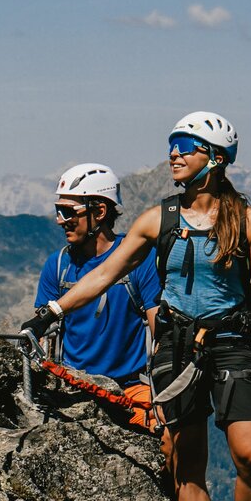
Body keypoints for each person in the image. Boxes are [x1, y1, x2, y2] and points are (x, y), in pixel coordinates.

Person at [22, 112, 251, 501]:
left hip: (231, 343)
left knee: (250, 453)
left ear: (216, 158)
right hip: (177, 347)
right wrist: (52, 312)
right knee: (187, 460)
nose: (174, 155)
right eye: (172, 145)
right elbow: (104, 275)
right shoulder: (157, 219)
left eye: (186, 146)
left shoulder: (249, 223)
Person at [32, 163, 159, 432]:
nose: (59, 220)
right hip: (72, 386)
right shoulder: (57, 265)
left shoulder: (141, 260)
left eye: (68, 212)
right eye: (58, 211)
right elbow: (42, 334)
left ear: (100, 211)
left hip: (131, 389)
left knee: (166, 445)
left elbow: (160, 329)